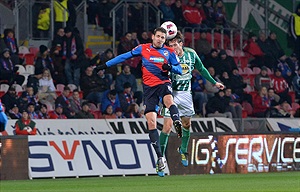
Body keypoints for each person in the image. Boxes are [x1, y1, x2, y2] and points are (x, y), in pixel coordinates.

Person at [97, 26, 184, 176]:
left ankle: (177, 122)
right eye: (158, 36)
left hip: (163, 83)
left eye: (163, 38)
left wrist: (169, 67)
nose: (160, 39)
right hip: (149, 89)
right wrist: (106, 65)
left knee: (169, 101)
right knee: (151, 122)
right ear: (153, 37)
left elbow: (179, 70)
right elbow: (123, 57)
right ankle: (160, 158)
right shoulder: (143, 48)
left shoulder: (169, 52)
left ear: (165, 39)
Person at [159, 31, 224, 175]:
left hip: (186, 95)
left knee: (186, 124)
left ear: (181, 44)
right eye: (171, 45)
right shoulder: (166, 57)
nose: (174, 48)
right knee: (168, 127)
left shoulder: (191, 54)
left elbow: (201, 69)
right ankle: (161, 159)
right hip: (171, 95)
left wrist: (214, 83)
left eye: (176, 45)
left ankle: (183, 149)